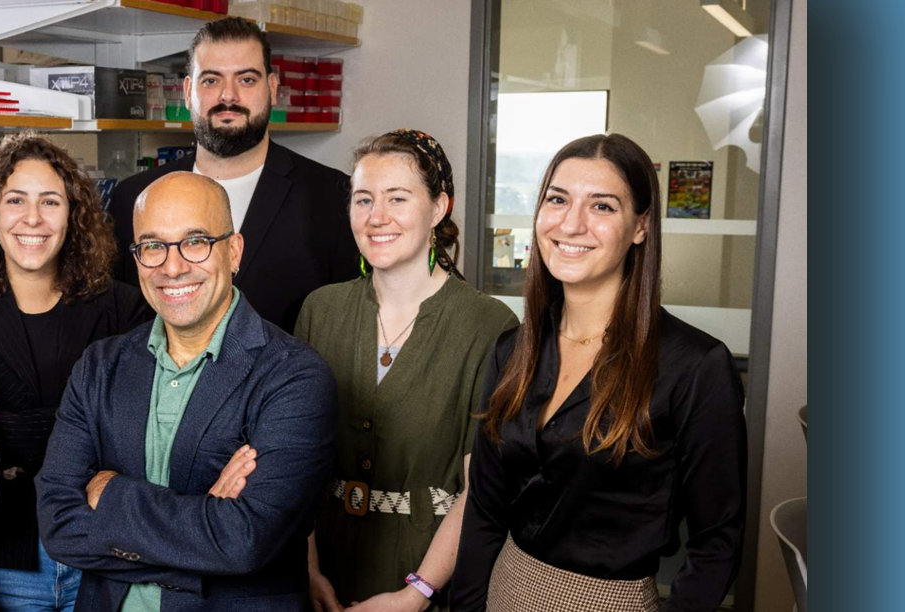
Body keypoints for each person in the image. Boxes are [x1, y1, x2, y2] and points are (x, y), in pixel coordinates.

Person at [449, 134, 747, 612]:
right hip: (504, 590)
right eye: (557, 199)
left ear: (640, 227)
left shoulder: (694, 365)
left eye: (603, 206)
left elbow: (717, 542)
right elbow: (484, 511)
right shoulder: (513, 349)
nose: (571, 223)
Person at [36, 172, 338, 611]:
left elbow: (244, 542)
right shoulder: (100, 366)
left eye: (195, 241)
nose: (172, 267)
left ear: (233, 251)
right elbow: (59, 525)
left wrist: (112, 495)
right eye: (153, 246)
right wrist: (206, 524)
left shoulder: (295, 377)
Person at [295, 130, 519, 612]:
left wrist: (416, 593)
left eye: (398, 198)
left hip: (427, 582)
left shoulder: (489, 325)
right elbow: (297, 461)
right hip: (322, 576)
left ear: (439, 207)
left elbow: (479, 486)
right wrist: (307, 568)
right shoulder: (320, 311)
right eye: (363, 199)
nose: (377, 217)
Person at [0, 133, 152, 612]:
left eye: (50, 201)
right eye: (15, 200)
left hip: (103, 554)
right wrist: (81, 424)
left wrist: (0, 427)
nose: (32, 218)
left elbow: (135, 434)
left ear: (75, 217)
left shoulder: (124, 309)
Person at [105, 16, 357, 333]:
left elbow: (348, 324)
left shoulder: (332, 195)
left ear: (273, 88)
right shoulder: (133, 197)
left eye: (246, 80)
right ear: (187, 91)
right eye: (211, 80)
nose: (228, 96)